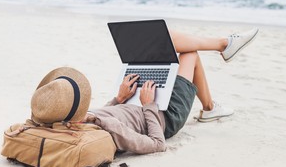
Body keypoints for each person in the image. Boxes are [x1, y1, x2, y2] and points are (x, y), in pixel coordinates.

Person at [85, 27, 259, 154]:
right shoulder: (107, 128)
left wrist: (119, 98)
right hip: (165, 116)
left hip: (132, 101)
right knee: (189, 53)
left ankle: (210, 107)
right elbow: (157, 143)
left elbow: (104, 113)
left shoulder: (75, 117)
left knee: (162, 40)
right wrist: (148, 105)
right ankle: (224, 45)